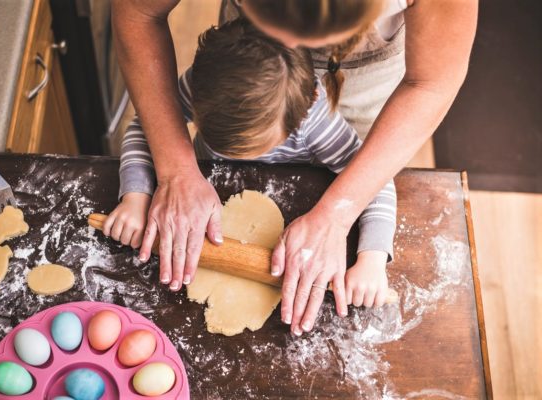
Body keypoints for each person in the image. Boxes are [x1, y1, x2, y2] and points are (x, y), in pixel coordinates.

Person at [111, 0, 477, 333]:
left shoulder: (315, 121)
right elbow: (138, 15)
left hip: (325, 91)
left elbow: (431, 85)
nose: (292, 44)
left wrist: (347, 226)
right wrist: (172, 173)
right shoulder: (217, 85)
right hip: (246, 71)